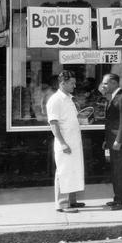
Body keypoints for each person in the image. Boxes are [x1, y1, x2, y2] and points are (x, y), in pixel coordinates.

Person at [46, 70, 85, 213]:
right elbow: (53, 124)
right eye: (71, 83)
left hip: (74, 141)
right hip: (65, 142)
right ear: (62, 83)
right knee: (63, 172)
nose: (74, 86)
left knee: (74, 170)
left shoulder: (70, 98)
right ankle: (62, 204)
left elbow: (74, 118)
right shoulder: (55, 100)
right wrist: (62, 143)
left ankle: (72, 201)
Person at [99, 73, 122, 210]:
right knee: (115, 171)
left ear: (114, 83)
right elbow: (110, 122)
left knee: (121, 171)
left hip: (121, 142)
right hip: (112, 140)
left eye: (106, 83)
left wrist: (118, 140)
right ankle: (117, 198)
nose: (103, 86)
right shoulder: (112, 97)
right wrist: (106, 140)